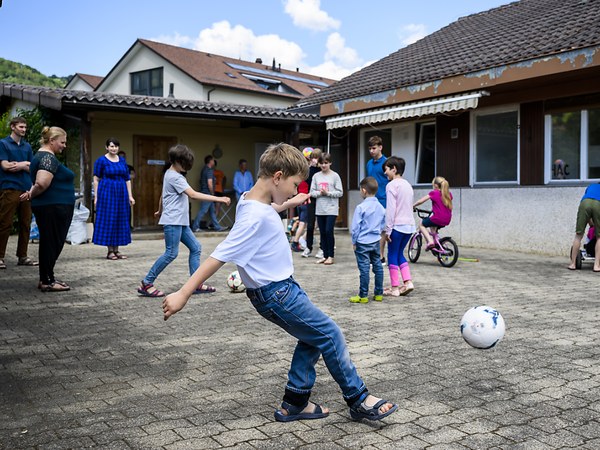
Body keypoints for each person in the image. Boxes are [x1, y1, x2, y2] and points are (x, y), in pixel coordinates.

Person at [162, 142, 398, 423]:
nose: (296, 190)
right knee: (330, 334)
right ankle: (358, 399)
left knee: (312, 337)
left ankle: (295, 403)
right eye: (295, 184)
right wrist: (184, 293)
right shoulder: (254, 216)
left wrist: (287, 204)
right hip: (277, 293)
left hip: (281, 289)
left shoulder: (250, 199)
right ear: (277, 177)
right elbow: (220, 255)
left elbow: (268, 206)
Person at [138, 145, 231, 297]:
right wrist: (219, 199)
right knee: (171, 253)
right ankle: (147, 283)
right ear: (176, 160)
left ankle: (196, 284)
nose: (186, 166)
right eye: (184, 163)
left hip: (180, 221)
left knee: (196, 247)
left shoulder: (170, 174)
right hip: (173, 221)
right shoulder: (175, 177)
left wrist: (160, 210)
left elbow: (163, 195)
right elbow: (193, 194)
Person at [19, 126, 75, 292]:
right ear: (52, 140)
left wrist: (31, 193)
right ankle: (47, 281)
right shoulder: (47, 158)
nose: (64, 145)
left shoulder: (42, 157)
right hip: (53, 207)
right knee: (51, 243)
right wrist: (31, 194)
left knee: (49, 242)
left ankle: (47, 277)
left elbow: (38, 181)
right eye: (62, 142)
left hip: (52, 206)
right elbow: (42, 182)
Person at [0, 116, 38, 269]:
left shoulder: (27, 146)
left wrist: (22, 165)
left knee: (25, 223)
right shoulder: (3, 144)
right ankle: (0, 257)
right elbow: (5, 166)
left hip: (26, 189)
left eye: (25, 127)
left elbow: (32, 168)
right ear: (12, 127)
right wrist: (25, 164)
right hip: (9, 188)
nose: (24, 129)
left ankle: (22, 256)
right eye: (21, 127)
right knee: (5, 223)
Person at [93, 138, 135, 260]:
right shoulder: (101, 160)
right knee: (109, 220)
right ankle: (110, 251)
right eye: (111, 146)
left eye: (116, 146)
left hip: (121, 193)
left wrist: (130, 196)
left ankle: (116, 250)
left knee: (120, 219)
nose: (114, 148)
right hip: (107, 193)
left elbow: (127, 179)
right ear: (106, 147)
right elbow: (96, 179)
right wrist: (96, 197)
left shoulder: (122, 161)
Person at [349, 177, 385, 303]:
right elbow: (383, 223)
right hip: (375, 241)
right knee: (378, 266)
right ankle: (379, 294)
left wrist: (354, 241)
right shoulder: (380, 207)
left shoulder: (361, 207)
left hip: (363, 242)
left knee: (364, 269)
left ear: (364, 190)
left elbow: (355, 228)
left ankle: (363, 296)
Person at [383, 156, 415, 296]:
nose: (385, 173)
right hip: (409, 226)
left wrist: (388, 230)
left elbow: (391, 210)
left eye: (386, 169)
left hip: (396, 226)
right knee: (399, 253)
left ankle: (395, 288)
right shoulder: (408, 185)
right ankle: (408, 282)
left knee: (392, 254)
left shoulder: (391, 185)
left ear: (394, 169)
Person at [310, 153, 343, 265]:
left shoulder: (335, 176)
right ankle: (324, 255)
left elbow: (340, 192)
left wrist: (328, 193)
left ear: (330, 163)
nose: (324, 165)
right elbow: (312, 192)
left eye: (326, 163)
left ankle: (331, 256)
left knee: (329, 231)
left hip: (332, 208)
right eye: (321, 163)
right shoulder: (316, 176)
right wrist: (320, 193)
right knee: (322, 232)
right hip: (320, 209)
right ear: (318, 164)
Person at [412, 176, 453, 250]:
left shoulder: (434, 193)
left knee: (421, 225)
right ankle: (436, 243)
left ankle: (430, 241)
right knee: (432, 225)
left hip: (438, 218)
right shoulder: (448, 194)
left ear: (436, 185)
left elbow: (420, 201)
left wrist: (413, 205)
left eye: (433, 185)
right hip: (447, 219)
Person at [366, 136, 389, 265]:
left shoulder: (387, 163)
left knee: (382, 230)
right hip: (371, 201)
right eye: (370, 148)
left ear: (380, 147)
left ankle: (380, 256)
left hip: (384, 201)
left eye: (374, 148)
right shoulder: (369, 163)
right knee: (371, 229)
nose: (371, 151)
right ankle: (373, 255)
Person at [568, 182, 600, 272]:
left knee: (578, 235)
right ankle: (596, 266)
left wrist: (591, 223)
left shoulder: (591, 186)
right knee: (599, 237)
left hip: (585, 203)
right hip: (599, 203)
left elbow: (589, 214)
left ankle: (572, 264)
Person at [192, 155, 224, 232]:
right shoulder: (209, 170)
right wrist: (212, 193)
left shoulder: (204, 169)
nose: (214, 162)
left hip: (205, 192)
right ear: (210, 161)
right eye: (213, 160)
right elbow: (210, 183)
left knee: (212, 211)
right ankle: (195, 226)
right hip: (208, 193)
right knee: (203, 210)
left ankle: (217, 227)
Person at [301, 148, 323, 258]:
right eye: (313, 158)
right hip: (312, 199)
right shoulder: (309, 170)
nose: (314, 160)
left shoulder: (323, 170)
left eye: (316, 158)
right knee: (310, 225)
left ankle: (322, 248)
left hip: (322, 199)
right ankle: (308, 247)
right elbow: (305, 182)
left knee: (322, 225)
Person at [290, 178, 309, 252]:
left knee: (301, 223)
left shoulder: (298, 181)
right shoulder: (308, 180)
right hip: (305, 202)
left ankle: (299, 240)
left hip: (299, 203)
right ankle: (295, 242)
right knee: (302, 224)